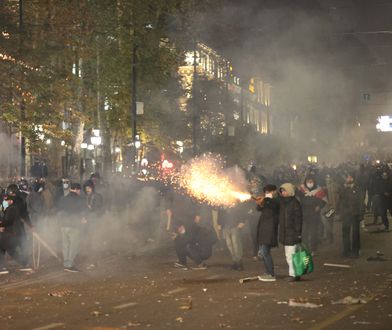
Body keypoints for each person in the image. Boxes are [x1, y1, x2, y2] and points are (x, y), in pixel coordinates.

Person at [0, 194, 33, 274]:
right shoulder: (9, 208)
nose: (5, 202)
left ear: (11, 201)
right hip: (10, 234)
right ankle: (25, 263)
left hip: (11, 234)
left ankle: (25, 263)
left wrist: (1, 225)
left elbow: (8, 221)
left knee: (9, 250)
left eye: (7, 200)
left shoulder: (12, 209)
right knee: (7, 250)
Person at [57, 183, 85, 272]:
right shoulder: (79, 199)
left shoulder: (63, 199)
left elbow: (59, 211)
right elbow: (81, 212)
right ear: (76, 189)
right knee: (74, 245)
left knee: (65, 245)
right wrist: (83, 219)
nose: (80, 192)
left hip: (63, 225)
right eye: (79, 190)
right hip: (73, 225)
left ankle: (66, 262)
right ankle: (69, 265)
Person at [278, 183, 303, 282]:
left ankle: (293, 274)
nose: (283, 192)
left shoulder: (294, 203)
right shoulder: (284, 202)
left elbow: (298, 219)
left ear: (290, 191)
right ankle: (294, 274)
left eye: (284, 190)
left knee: (292, 255)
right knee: (289, 255)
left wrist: (298, 233)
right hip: (286, 233)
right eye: (282, 191)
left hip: (292, 233)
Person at [256, 184, 279, 282]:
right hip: (263, 230)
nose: (267, 194)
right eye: (266, 192)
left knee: (265, 253)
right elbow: (259, 208)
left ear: (274, 191)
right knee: (263, 253)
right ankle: (268, 272)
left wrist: (265, 200)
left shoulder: (276, 201)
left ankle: (271, 274)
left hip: (269, 231)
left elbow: (273, 205)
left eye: (269, 192)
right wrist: (259, 202)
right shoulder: (266, 202)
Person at [338, 173, 365, 258]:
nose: (349, 179)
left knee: (355, 233)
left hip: (355, 214)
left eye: (350, 177)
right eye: (348, 177)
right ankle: (346, 251)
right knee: (345, 233)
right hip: (346, 214)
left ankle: (355, 251)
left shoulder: (357, 189)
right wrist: (340, 213)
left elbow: (361, 202)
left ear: (353, 178)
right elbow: (340, 201)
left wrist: (361, 214)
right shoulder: (343, 188)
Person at [298, 176, 327, 255]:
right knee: (304, 233)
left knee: (313, 233)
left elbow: (323, 201)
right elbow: (297, 197)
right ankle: (305, 249)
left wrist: (319, 206)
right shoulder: (302, 190)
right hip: (304, 214)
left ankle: (313, 249)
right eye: (308, 181)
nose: (309, 183)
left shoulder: (319, 191)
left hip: (314, 215)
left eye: (311, 181)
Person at [219, 204, 246, 271]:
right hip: (226, 226)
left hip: (235, 226)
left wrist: (242, 221)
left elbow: (241, 210)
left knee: (236, 244)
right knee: (229, 245)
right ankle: (235, 262)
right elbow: (220, 213)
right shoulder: (222, 203)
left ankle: (239, 262)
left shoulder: (235, 201)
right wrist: (219, 223)